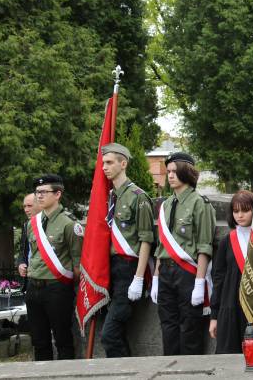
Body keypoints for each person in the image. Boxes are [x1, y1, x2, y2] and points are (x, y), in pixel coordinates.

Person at [150, 152, 216, 355]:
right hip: (166, 272)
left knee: (190, 328)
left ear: (186, 172)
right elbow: (162, 246)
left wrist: (199, 283)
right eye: (168, 171)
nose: (170, 175)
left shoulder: (199, 203)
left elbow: (205, 246)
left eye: (174, 171)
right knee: (167, 326)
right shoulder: (166, 204)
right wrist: (156, 277)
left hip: (188, 272)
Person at [99, 143, 155, 358]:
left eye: (110, 162)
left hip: (129, 270)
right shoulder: (111, 196)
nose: (104, 167)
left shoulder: (137, 197)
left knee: (109, 334)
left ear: (123, 164)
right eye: (104, 163)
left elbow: (146, 239)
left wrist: (139, 278)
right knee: (117, 333)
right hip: (110, 269)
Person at [25, 174, 83, 360]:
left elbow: (77, 263)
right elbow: (32, 253)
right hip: (34, 288)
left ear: (57, 194)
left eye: (43, 192)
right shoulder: (32, 224)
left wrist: (65, 287)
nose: (39, 196)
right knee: (39, 342)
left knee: (63, 340)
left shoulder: (69, 224)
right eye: (37, 192)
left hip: (57, 289)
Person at [209, 190, 253, 353]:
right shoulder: (226, 242)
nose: (240, 215)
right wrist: (214, 317)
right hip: (229, 308)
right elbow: (218, 279)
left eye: (245, 210)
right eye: (236, 211)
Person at [17, 193, 40, 289]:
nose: (26, 210)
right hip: (30, 280)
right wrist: (21, 263)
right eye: (24, 206)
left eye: (30, 206)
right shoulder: (27, 225)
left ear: (40, 204)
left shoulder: (52, 225)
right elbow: (23, 250)